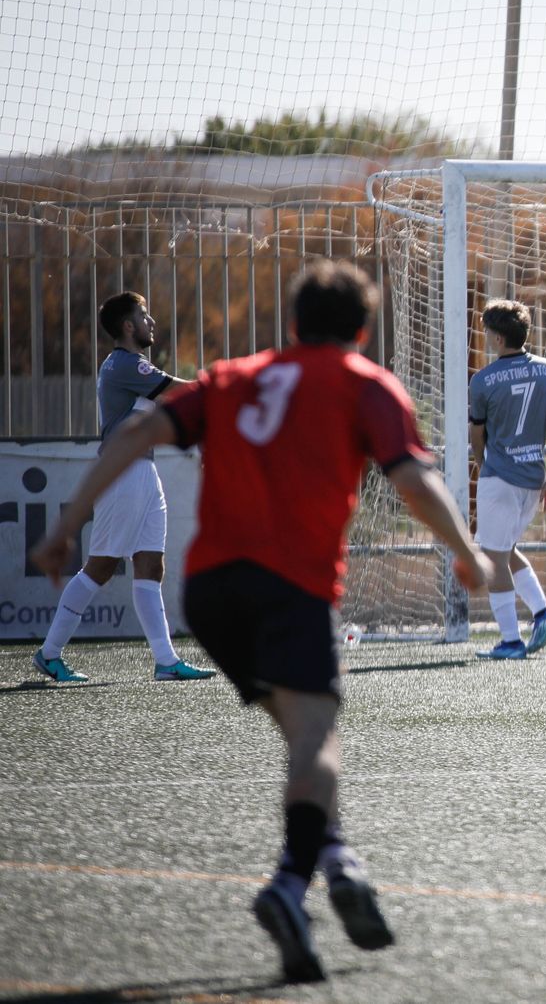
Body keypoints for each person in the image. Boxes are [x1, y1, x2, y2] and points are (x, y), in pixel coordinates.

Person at [30, 260, 493, 983]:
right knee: (315, 738)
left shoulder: (233, 377)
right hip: (290, 586)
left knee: (302, 738)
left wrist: (66, 526)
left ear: (293, 324)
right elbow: (412, 479)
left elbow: (135, 433)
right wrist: (467, 554)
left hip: (211, 593)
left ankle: (338, 859)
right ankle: (288, 886)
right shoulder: (366, 383)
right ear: (362, 331)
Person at [31, 292, 215, 683]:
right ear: (128, 326)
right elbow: (179, 393)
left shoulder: (132, 367)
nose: (152, 322)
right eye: (144, 316)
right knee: (99, 567)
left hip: (143, 472)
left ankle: (165, 661)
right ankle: (49, 653)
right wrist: (219, 386)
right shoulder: (126, 365)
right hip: (124, 473)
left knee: (150, 565)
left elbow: (168, 414)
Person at [468, 299, 546, 660]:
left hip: (500, 477)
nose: (486, 338)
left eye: (487, 332)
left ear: (498, 338)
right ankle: (543, 614)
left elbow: (476, 434)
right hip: (533, 479)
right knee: (505, 550)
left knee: (492, 557)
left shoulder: (483, 380)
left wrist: (482, 464)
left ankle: (511, 641)